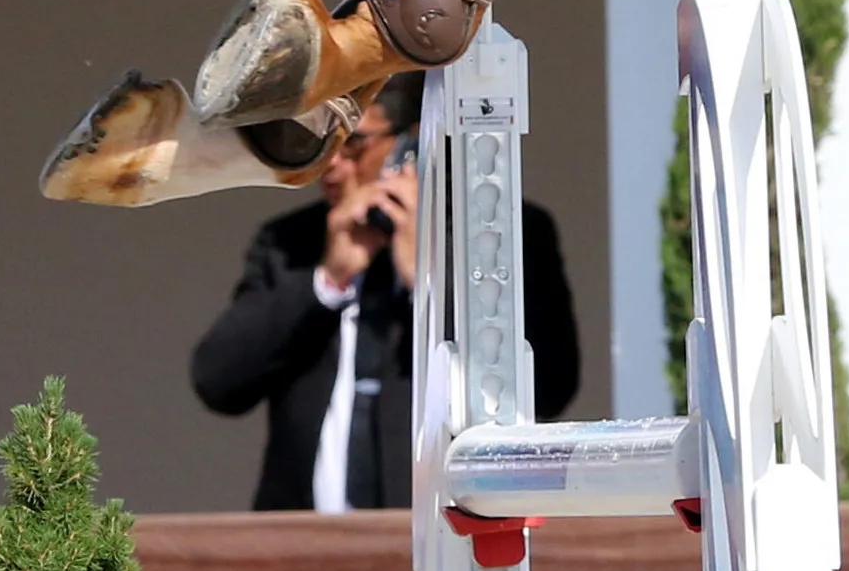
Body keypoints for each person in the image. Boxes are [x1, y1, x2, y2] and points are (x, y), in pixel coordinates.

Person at [189, 77, 579, 512]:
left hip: (454, 547)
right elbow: (217, 381)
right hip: (312, 559)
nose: (330, 164)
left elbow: (550, 387)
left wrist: (426, 280)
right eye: (317, 142)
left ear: (411, 143)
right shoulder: (292, 243)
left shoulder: (499, 233)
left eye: (352, 144)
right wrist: (326, 281)